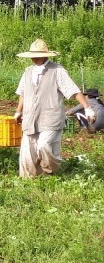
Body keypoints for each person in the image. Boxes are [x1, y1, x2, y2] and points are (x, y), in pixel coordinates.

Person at [14, 39, 96, 177]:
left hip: (50, 118)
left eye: (37, 55)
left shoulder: (57, 70)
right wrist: (18, 111)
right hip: (30, 117)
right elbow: (23, 93)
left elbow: (73, 90)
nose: (34, 58)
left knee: (44, 146)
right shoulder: (28, 71)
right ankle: (30, 180)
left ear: (45, 55)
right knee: (28, 153)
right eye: (32, 56)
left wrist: (87, 107)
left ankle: (50, 171)